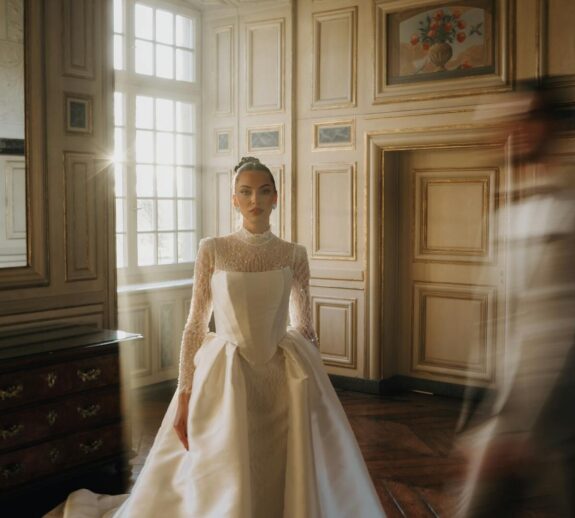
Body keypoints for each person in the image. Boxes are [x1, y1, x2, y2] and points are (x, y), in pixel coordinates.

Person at [45, 157, 385, 518]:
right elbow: (195, 323)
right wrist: (184, 396)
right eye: (246, 191)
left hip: (281, 378)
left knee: (280, 462)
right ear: (234, 200)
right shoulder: (214, 249)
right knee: (225, 467)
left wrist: (318, 387)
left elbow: (304, 326)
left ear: (276, 198)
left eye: (264, 191)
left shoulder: (293, 254)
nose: (255, 199)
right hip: (226, 375)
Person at [455, 84, 575, 517]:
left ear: (550, 127)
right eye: (505, 121)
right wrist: (477, 418)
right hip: (503, 417)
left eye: (525, 119)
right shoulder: (502, 217)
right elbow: (495, 328)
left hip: (558, 421)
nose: (511, 131)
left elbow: (556, 326)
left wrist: (523, 428)